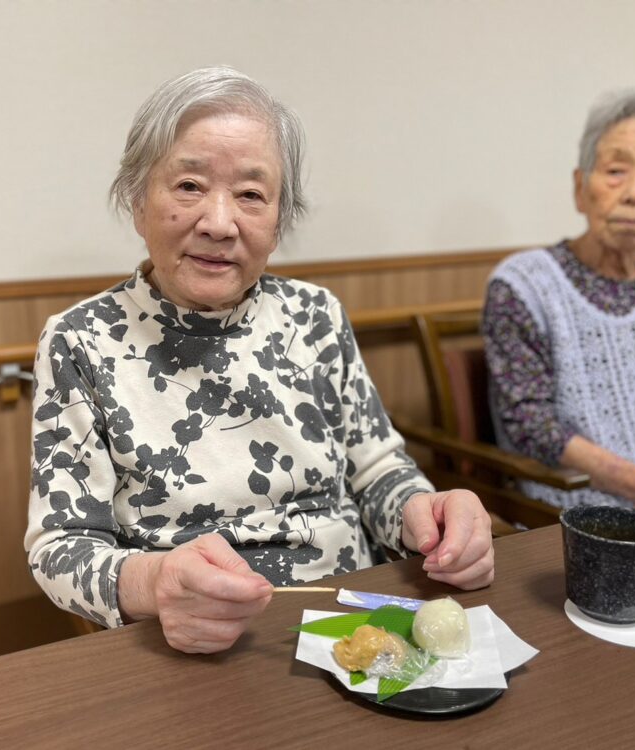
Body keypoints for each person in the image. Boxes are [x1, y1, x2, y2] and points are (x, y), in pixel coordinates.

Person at [25, 67, 494, 654]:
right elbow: (63, 546)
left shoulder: (315, 314)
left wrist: (427, 512)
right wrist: (157, 583)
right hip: (195, 638)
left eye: (251, 194)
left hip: (354, 621)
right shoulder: (79, 340)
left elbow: (377, 471)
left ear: (278, 221)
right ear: (137, 200)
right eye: (189, 186)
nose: (220, 223)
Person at [483, 89, 635, 511]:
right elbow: (533, 427)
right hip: (587, 508)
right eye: (615, 170)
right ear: (580, 186)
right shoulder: (524, 285)